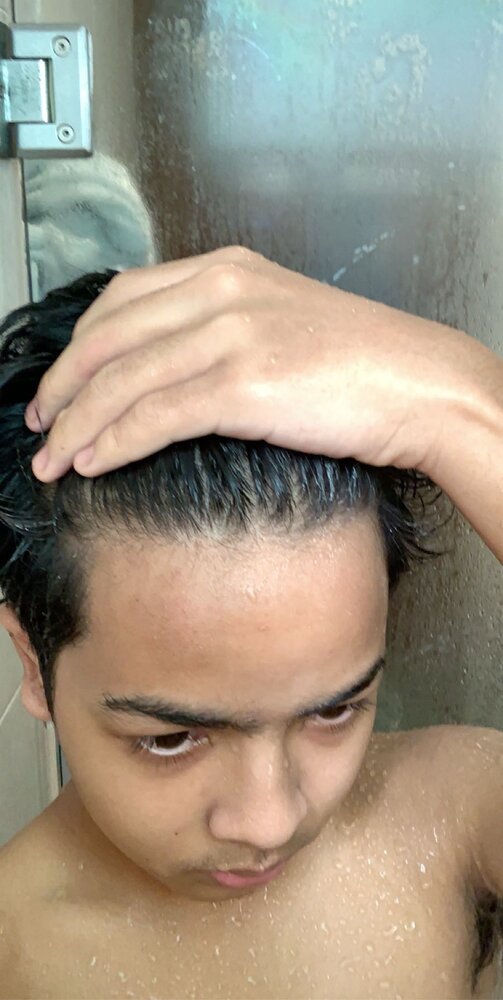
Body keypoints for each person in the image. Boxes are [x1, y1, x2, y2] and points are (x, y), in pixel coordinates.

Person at [0, 246, 501, 1000]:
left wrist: (461, 403)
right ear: (33, 664)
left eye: (335, 710)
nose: (269, 822)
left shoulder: (457, 814)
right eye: (170, 739)